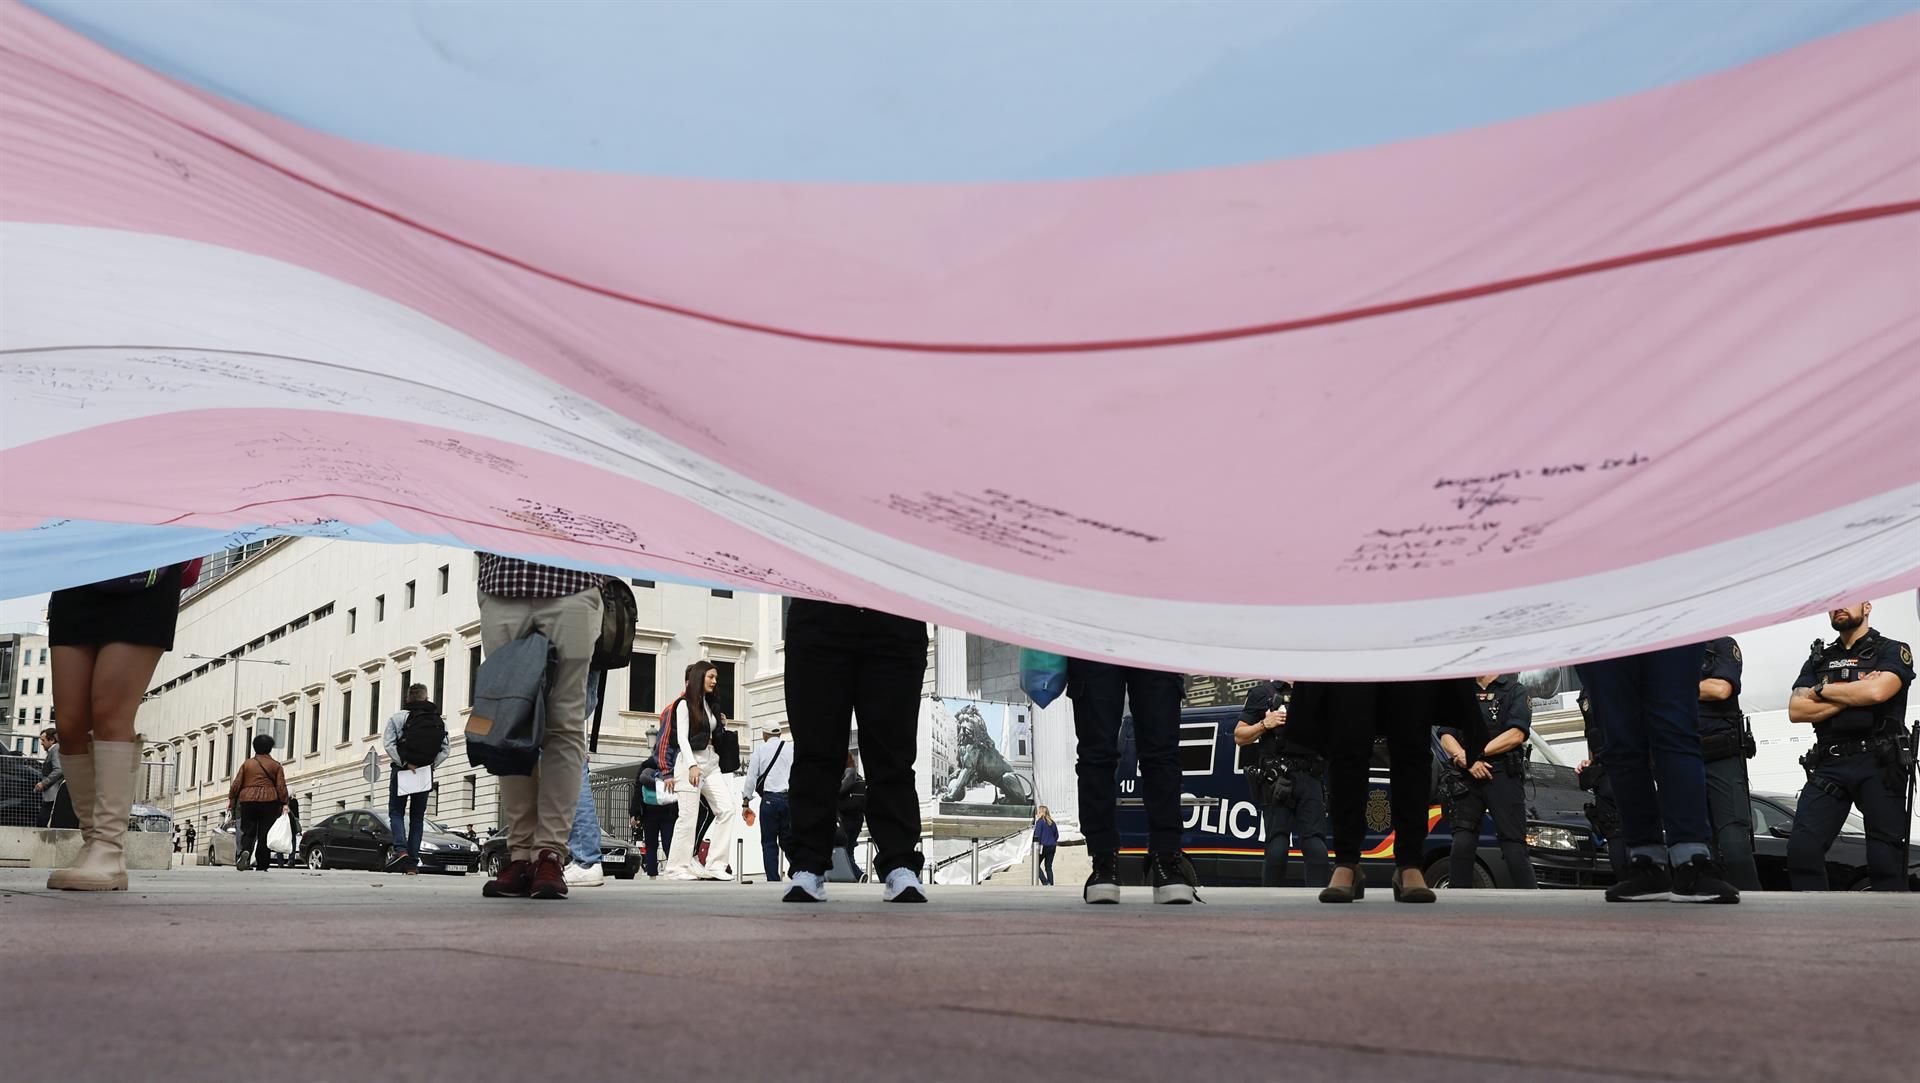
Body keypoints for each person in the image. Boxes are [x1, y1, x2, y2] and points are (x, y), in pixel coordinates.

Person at [46, 558, 199, 891]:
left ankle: (108, 849)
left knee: (110, 713)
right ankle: (93, 845)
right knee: (70, 724)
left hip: (146, 570)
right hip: (78, 568)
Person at [781, 600, 929, 904]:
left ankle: (900, 862)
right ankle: (808, 863)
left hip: (895, 612)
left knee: (892, 753)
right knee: (815, 749)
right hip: (821, 610)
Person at [474, 554, 602, 901]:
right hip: (503, 581)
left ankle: (549, 853)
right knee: (509, 722)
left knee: (564, 725)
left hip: (571, 578)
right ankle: (521, 854)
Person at [1576, 646, 1739, 903]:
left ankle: (1691, 860)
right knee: (1620, 741)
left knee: (1676, 729)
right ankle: (1646, 862)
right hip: (1600, 626)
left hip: (1665, 618)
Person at [1290, 680, 1471, 904]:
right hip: (1354, 651)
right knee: (1347, 743)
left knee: (1412, 743)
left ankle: (1409, 863)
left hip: (1406, 652)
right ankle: (1346, 862)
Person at [1785, 602, 1914, 892]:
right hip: (1829, 764)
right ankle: (1818, 929)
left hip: (1879, 762)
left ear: (1867, 606)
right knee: (1802, 852)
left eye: (1848, 598)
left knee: (1886, 863)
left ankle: (1892, 932)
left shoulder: (1891, 650)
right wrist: (1853, 695)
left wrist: (1821, 691)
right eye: (1832, 602)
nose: (1838, 606)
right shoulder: (1819, 659)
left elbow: (1878, 691)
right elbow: (1796, 710)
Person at [1066, 661, 1199, 904]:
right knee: (1156, 754)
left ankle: (1110, 867)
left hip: (1118, 633)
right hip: (1131, 633)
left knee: (1101, 755)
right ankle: (1157, 864)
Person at [1435, 674, 1538, 889]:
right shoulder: (1460, 693)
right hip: (1466, 774)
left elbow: (1516, 734)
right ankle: (1457, 904)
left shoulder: (1514, 690)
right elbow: (1445, 735)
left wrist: (1476, 753)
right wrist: (1467, 759)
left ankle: (1531, 900)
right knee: (1462, 842)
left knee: (1513, 844)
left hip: (1501, 774)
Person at [1234, 680, 1330, 888]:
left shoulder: (1317, 692)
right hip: (1277, 778)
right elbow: (1239, 736)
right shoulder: (1263, 693)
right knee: (1278, 844)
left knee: (1315, 844)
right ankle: (1272, 903)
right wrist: (1265, 724)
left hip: (1310, 775)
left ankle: (1318, 903)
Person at [656, 661, 742, 881]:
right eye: (710, 676)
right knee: (688, 817)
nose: (714, 681)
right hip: (689, 764)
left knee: (727, 809)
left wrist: (721, 725)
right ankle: (676, 868)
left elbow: (712, 734)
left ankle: (716, 865)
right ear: (699, 677)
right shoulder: (684, 704)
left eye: (715, 677)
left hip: (711, 763)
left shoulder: (709, 703)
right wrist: (692, 765)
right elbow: (682, 738)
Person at [1697, 637, 1760, 891]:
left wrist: (1670, 686)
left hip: (1721, 757)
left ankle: (1754, 912)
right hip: (1679, 759)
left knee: (1735, 848)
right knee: (1698, 853)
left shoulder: (1720, 644)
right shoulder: (1664, 653)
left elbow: (1721, 689)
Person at [383, 683, 449, 875]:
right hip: (425, 773)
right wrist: (430, 765)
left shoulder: (397, 718)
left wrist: (405, 763)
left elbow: (388, 744)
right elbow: (446, 749)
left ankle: (400, 850)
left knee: (396, 812)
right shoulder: (438, 720)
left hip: (402, 771)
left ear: (408, 699)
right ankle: (412, 863)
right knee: (417, 818)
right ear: (426, 698)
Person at [1575, 693, 1630, 883]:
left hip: (1607, 771)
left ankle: (1627, 886)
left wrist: (1593, 760)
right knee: (1635, 833)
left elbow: (1593, 733)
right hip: (1629, 768)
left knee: (1615, 833)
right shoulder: (1623, 679)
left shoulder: (1587, 691)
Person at [226, 734, 289, 874]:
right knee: (265, 834)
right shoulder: (276, 765)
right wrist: (285, 802)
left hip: (248, 801)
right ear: (270, 748)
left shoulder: (247, 764)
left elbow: (236, 784)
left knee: (248, 831)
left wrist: (231, 799)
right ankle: (262, 864)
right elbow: (281, 786)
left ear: (254, 747)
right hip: (269, 802)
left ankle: (246, 851)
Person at [741, 726, 793, 882]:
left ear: (764, 734)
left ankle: (773, 880)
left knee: (769, 842)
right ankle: (798, 870)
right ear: (779, 733)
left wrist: (746, 801)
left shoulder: (760, 750)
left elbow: (751, 777)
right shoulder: (790, 748)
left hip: (769, 800)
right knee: (789, 839)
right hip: (788, 799)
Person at [631, 757, 676, 878]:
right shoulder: (670, 766)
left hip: (649, 811)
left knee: (651, 845)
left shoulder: (645, 767)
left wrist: (635, 813)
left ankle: (652, 874)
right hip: (668, 810)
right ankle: (673, 870)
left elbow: (638, 791)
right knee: (669, 842)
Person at [34, 727, 67, 829]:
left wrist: (43, 783)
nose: (41, 743)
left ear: (52, 740)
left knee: (42, 820)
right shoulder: (54, 750)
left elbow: (59, 770)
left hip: (53, 794)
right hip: (51, 794)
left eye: (43, 740)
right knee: (43, 820)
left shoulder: (55, 749)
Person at [1032, 806, 1060, 886]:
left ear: (1040, 812)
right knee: (1048, 866)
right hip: (1052, 846)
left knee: (1036, 865)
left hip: (1043, 846)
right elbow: (1056, 835)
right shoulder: (1052, 822)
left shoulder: (1040, 822)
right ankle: (1051, 883)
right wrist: (1052, 841)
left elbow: (1037, 835)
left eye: (1038, 812)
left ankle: (1045, 882)